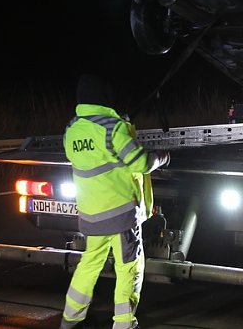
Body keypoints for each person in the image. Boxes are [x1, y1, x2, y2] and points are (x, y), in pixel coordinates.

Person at [61, 74, 170, 329]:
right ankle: (124, 323)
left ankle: (70, 320)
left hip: (91, 215)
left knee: (88, 266)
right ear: (105, 97)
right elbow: (140, 163)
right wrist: (161, 157)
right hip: (120, 216)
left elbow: (94, 159)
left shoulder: (71, 129)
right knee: (129, 268)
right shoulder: (114, 127)